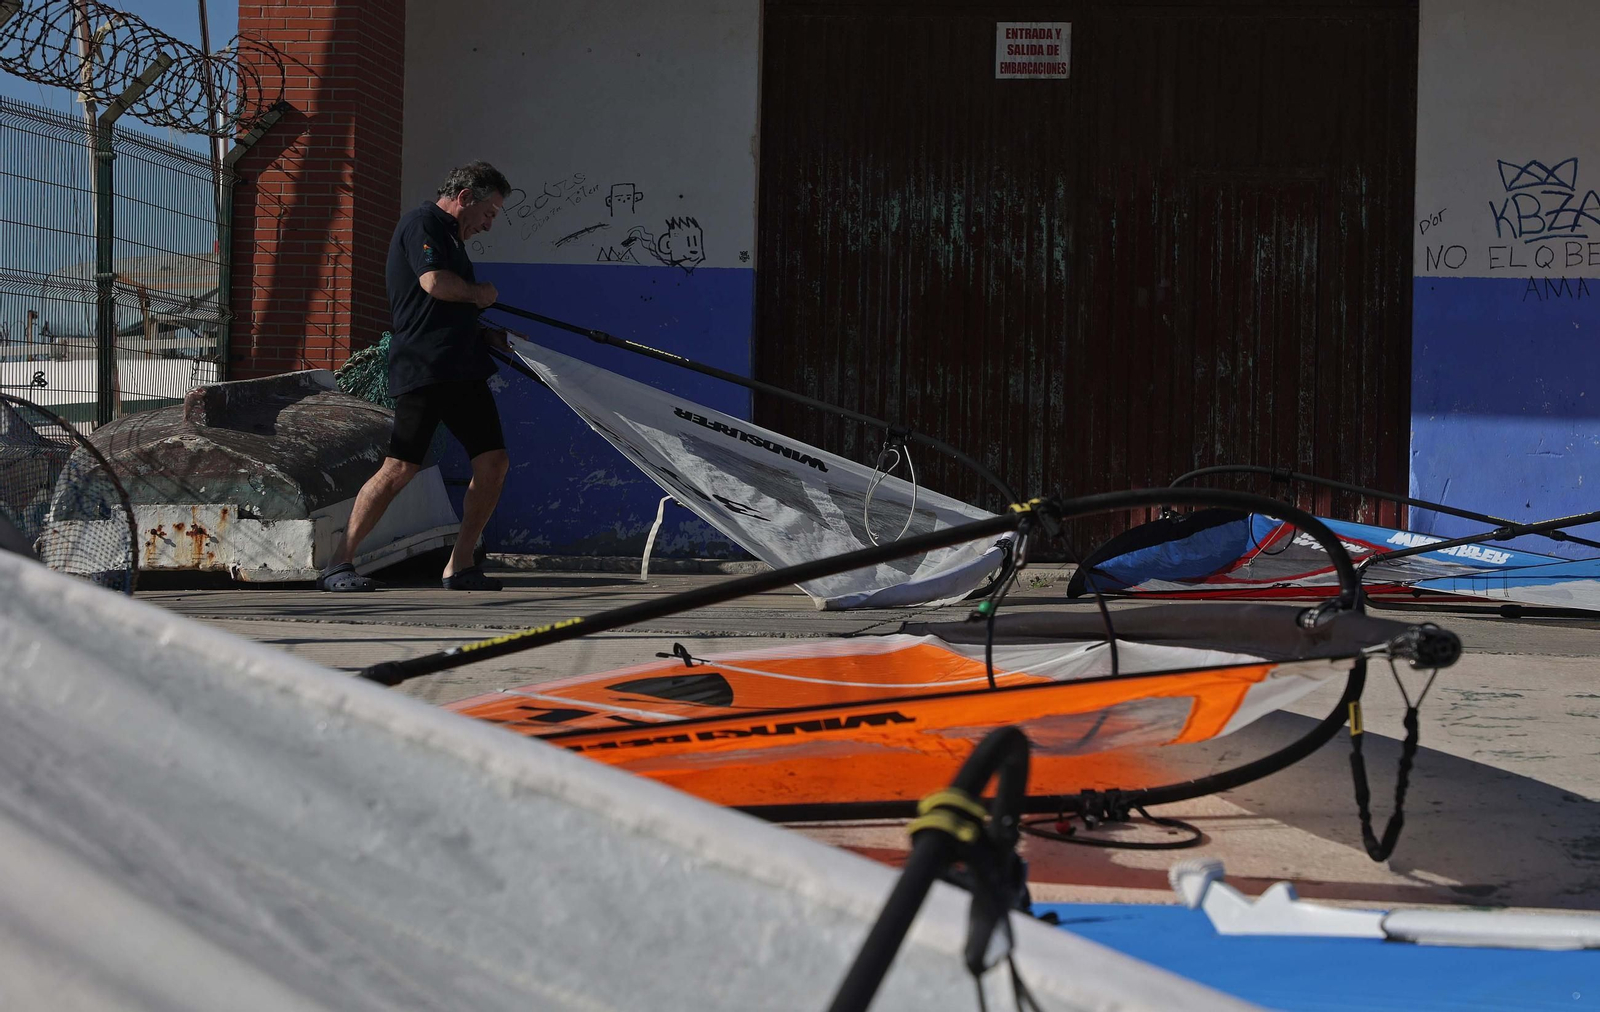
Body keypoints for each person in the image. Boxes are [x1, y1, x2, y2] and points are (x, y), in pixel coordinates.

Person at [319, 161, 515, 592]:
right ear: (465, 197)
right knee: (400, 467)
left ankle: (460, 565)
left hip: (462, 366)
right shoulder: (423, 222)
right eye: (489, 213)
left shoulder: (453, 238)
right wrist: (481, 295)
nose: (488, 224)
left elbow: (442, 311)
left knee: (493, 462)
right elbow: (434, 285)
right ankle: (339, 563)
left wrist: (484, 333)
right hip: (426, 367)